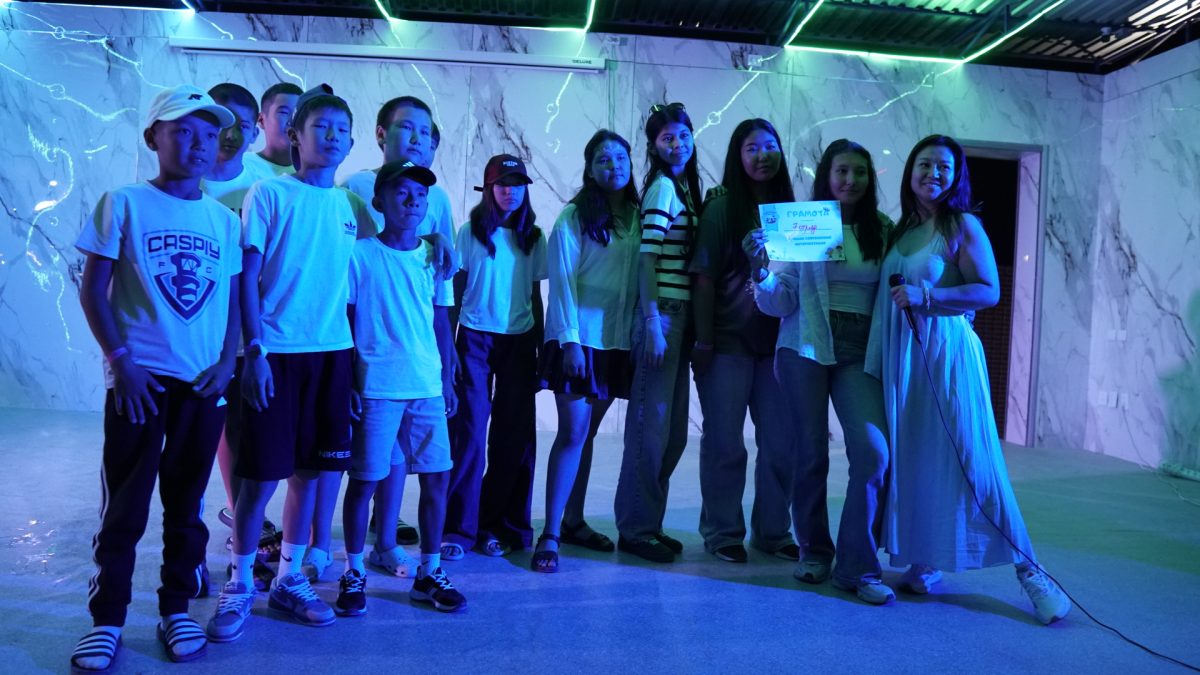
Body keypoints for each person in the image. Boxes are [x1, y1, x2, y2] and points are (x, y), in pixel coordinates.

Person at [866, 134, 1071, 623]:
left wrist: (929, 298)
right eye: (925, 164)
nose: (933, 174)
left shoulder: (962, 224)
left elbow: (988, 290)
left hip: (946, 359)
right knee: (919, 460)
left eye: (944, 166)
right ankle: (925, 561)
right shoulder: (902, 227)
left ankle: (1033, 574)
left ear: (956, 175)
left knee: (976, 465)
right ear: (910, 170)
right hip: (906, 361)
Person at [70, 85, 239, 672]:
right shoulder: (123, 203)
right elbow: (93, 290)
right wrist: (121, 362)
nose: (198, 144)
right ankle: (108, 619)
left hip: (203, 384)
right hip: (140, 382)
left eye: (209, 134)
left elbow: (232, 304)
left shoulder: (223, 220)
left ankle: (175, 608)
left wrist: (228, 362)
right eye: (183, 131)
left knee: (187, 504)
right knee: (125, 505)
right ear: (153, 137)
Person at [207, 84, 378, 641]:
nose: (331, 137)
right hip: (274, 354)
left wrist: (440, 244)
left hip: (331, 357)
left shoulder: (351, 207)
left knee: (311, 473)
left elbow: (389, 254)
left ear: (350, 142)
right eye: (319, 126)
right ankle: (239, 582)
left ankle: (288, 577)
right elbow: (247, 278)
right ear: (295, 136)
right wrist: (252, 350)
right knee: (259, 478)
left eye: (341, 129)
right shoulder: (269, 194)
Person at [745, 138, 894, 604]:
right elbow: (781, 301)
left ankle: (857, 565)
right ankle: (814, 550)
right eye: (841, 171)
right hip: (805, 343)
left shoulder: (883, 229)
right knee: (810, 454)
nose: (850, 180)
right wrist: (761, 272)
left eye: (859, 172)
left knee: (873, 453)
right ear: (827, 176)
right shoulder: (803, 223)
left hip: (861, 350)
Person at [337, 160, 465, 615]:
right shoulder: (360, 254)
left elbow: (441, 320)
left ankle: (429, 572)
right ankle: (354, 570)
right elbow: (346, 319)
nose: (413, 202)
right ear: (379, 201)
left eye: (421, 195)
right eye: (402, 193)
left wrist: (446, 380)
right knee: (365, 481)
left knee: (436, 477)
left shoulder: (435, 257)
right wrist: (349, 380)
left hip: (426, 385)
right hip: (377, 386)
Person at [532, 130, 641, 572]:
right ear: (590, 169)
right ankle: (550, 533)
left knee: (587, 434)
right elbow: (561, 283)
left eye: (620, 157)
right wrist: (570, 342)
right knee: (573, 434)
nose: (613, 165)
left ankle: (574, 521)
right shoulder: (574, 216)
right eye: (603, 159)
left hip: (616, 341)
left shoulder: (637, 216)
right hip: (579, 341)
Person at [690, 119, 796, 565]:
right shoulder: (722, 208)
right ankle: (722, 531)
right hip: (728, 342)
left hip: (780, 346)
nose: (762, 155)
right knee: (725, 443)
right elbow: (703, 278)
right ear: (738, 155)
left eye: (770, 146)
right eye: (752, 148)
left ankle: (773, 531)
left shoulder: (792, 212)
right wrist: (704, 341)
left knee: (781, 444)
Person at [443, 154, 547, 560]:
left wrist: (542, 348)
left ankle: (503, 525)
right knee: (469, 435)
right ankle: (459, 530)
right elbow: (456, 291)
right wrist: (449, 348)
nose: (510, 191)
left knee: (514, 438)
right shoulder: (470, 233)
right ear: (488, 189)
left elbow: (535, 296)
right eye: (503, 184)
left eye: (517, 184)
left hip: (519, 341)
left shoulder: (534, 237)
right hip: (474, 339)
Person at [614, 102, 702, 563]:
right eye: (667, 138)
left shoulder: (683, 188)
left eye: (683, 135)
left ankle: (649, 521)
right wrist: (652, 323)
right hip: (662, 315)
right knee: (650, 428)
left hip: (679, 317)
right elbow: (648, 260)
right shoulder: (663, 188)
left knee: (672, 434)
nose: (677, 144)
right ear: (653, 146)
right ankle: (636, 527)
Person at [201, 82, 278, 592]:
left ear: (254, 133)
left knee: (241, 434)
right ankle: (189, 550)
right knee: (192, 445)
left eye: (241, 126)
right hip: (192, 335)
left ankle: (242, 526)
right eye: (220, 123)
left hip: (243, 331)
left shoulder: (263, 185)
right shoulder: (185, 179)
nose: (230, 135)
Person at [243, 82, 302, 177]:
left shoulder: (313, 173)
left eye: (297, 113)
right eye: (284, 112)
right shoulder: (242, 165)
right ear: (261, 120)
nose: (292, 121)